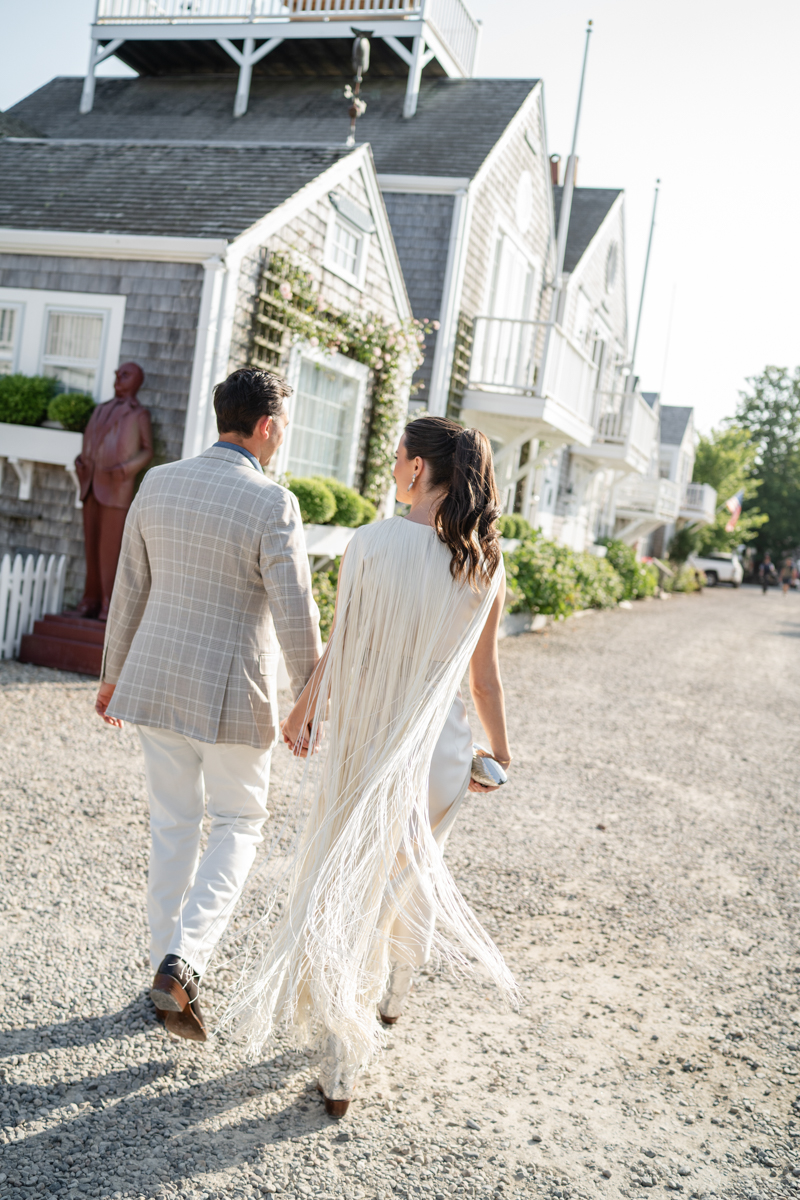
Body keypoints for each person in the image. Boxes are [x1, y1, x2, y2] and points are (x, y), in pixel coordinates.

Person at [224, 415, 515, 1117]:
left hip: (368, 747)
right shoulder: (484, 563)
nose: (392, 467)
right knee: (409, 878)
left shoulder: (370, 544)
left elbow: (347, 642)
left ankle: (342, 1063)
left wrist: (304, 710)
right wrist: (499, 753)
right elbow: (484, 681)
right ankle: (394, 996)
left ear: (417, 471)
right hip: (441, 756)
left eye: (396, 458)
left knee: (350, 889)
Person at [95, 368, 321, 1042]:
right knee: (240, 823)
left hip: (155, 681)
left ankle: (166, 968)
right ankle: (183, 963)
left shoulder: (157, 483)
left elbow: (128, 586)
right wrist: (309, 696)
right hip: (232, 693)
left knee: (172, 824)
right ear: (269, 426)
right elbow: (296, 613)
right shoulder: (272, 503)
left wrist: (112, 675)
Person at [75, 362, 154, 621]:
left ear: (138, 381)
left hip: (116, 488)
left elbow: (147, 450)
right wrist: (81, 461)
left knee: (110, 548)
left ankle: (109, 601)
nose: (118, 377)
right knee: (91, 545)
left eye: (126, 374)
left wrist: (125, 470)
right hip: (89, 485)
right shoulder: (100, 409)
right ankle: (91, 598)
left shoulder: (138, 414)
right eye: (118, 373)